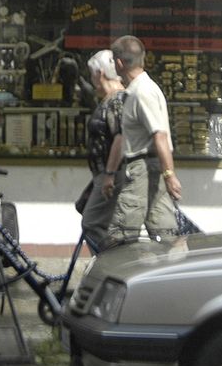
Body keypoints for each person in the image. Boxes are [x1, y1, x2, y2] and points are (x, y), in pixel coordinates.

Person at [102, 35, 181, 247]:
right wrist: (111, 173)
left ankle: (118, 269)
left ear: (119, 63)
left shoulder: (142, 92)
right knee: (164, 232)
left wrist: (169, 174)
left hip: (142, 169)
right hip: (150, 167)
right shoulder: (139, 90)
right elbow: (127, 136)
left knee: (120, 236)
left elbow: (160, 135)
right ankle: (173, 263)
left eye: (113, 61)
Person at [76, 49, 127, 250]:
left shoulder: (117, 100)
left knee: (91, 223)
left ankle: (108, 263)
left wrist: (109, 174)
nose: (92, 80)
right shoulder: (110, 99)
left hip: (112, 174)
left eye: (92, 74)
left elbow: (120, 137)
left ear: (100, 73)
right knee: (86, 210)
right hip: (105, 174)